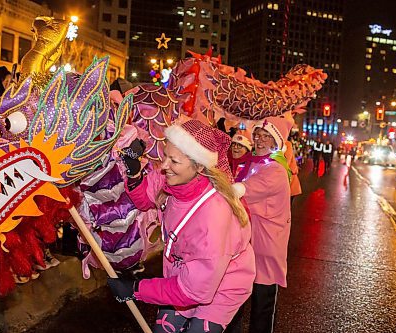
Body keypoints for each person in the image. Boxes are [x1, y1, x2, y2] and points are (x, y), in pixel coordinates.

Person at [108, 119, 256, 333]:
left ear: (199, 166)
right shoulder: (174, 179)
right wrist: (133, 173)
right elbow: (145, 199)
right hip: (184, 276)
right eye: (165, 156)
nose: (164, 166)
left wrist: (136, 289)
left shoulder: (213, 217)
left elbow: (194, 291)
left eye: (174, 161)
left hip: (221, 285)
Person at [227, 115, 292, 333]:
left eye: (266, 137)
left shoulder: (276, 169)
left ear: (276, 142)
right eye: (258, 135)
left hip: (266, 246)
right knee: (237, 293)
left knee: (262, 304)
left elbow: (247, 188)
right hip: (250, 241)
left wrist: (228, 190)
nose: (260, 140)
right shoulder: (256, 161)